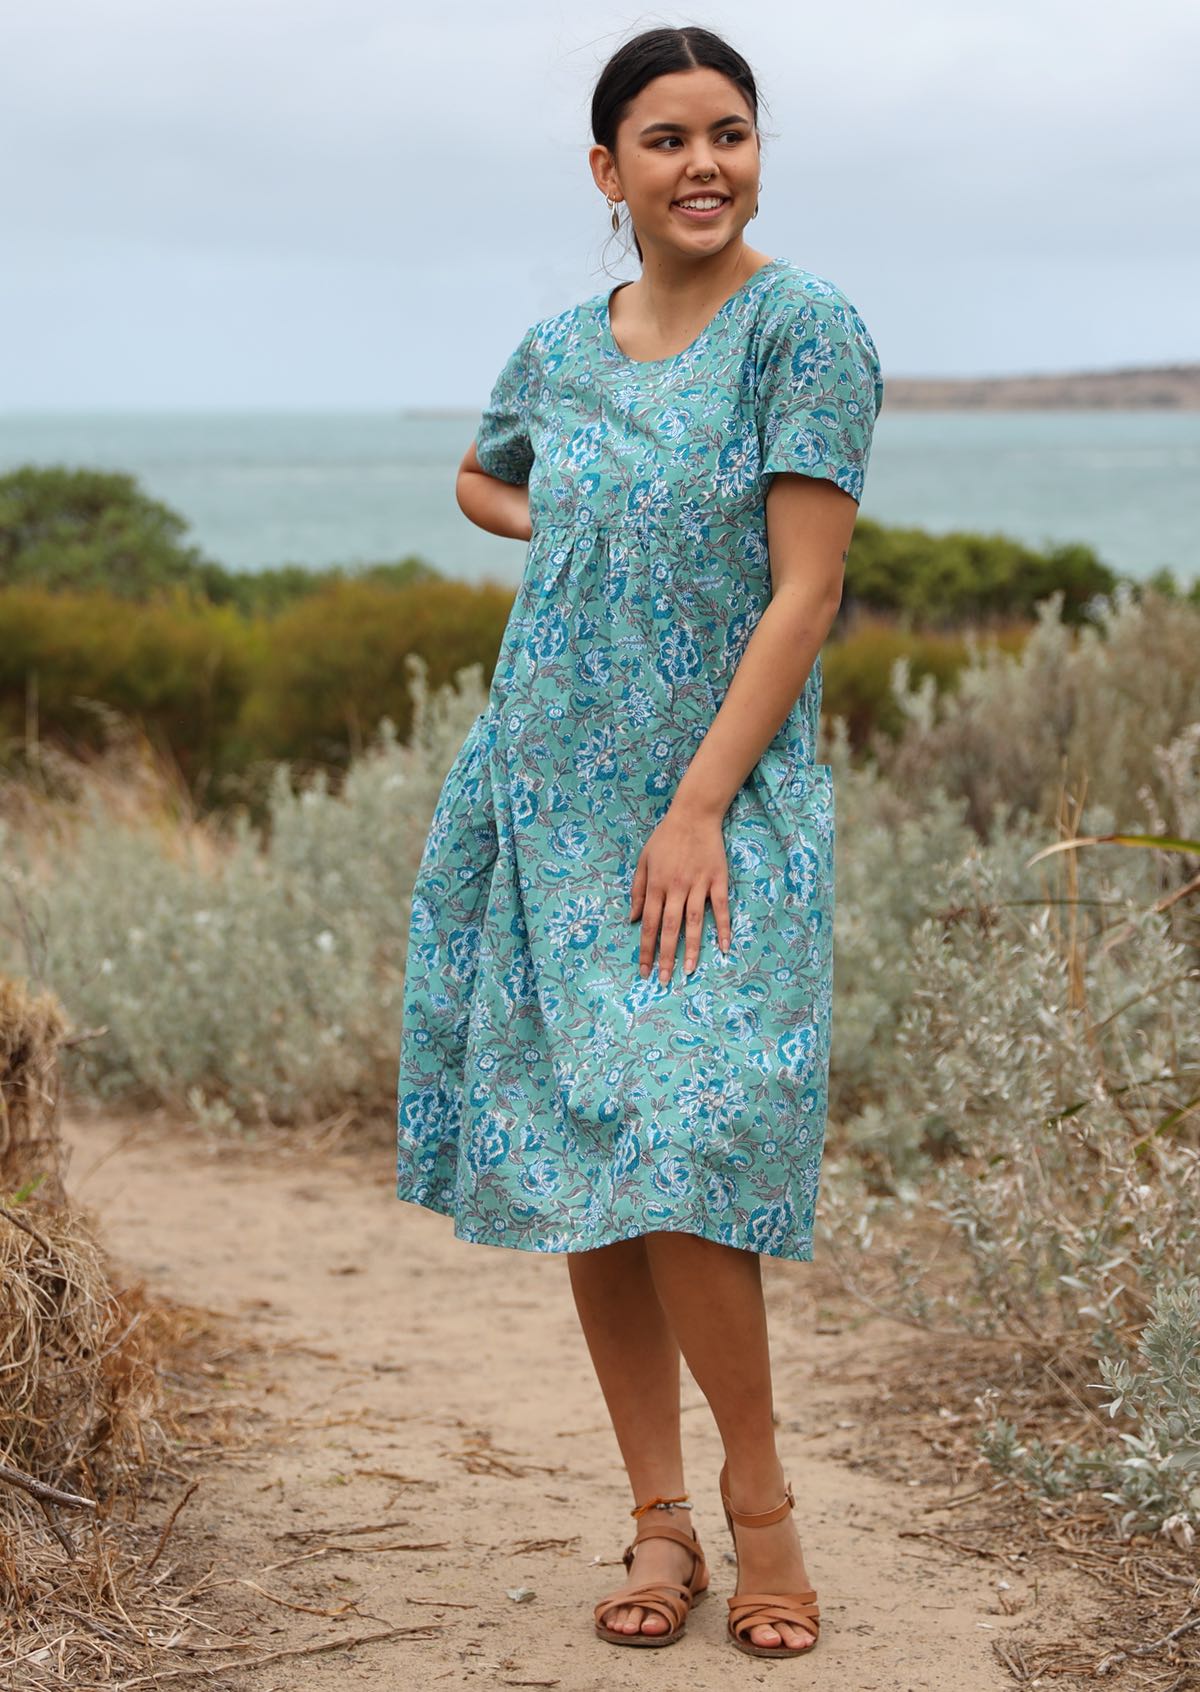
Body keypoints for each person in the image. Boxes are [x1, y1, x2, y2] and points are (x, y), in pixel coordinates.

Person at [396, 22, 883, 1660]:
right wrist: (581, 520)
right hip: (545, 788)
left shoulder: (804, 332)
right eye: (666, 139)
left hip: (716, 806)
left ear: (759, 153)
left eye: (730, 133)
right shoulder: (559, 343)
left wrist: (695, 808)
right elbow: (478, 474)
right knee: (596, 1160)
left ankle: (762, 1509)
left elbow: (806, 592)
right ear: (607, 172)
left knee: (684, 1136)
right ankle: (656, 1519)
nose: (704, 164)